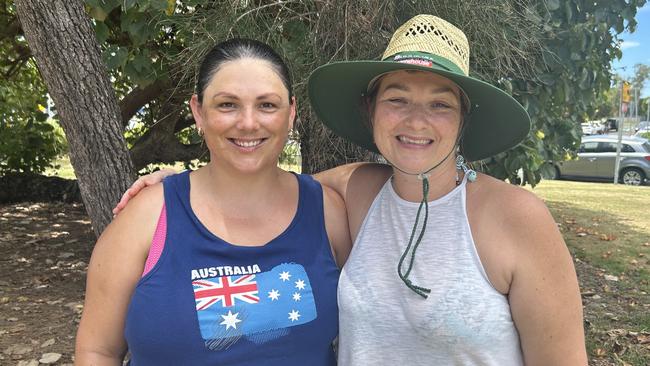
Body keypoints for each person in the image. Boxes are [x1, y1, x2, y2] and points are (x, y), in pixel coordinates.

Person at [114, 15, 588, 365]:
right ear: (371, 111)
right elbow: (264, 188)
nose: (416, 121)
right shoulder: (359, 193)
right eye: (397, 99)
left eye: (440, 104)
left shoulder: (516, 218)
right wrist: (182, 188)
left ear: (464, 119)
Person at [75, 38, 351, 366]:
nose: (248, 123)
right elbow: (98, 351)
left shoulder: (328, 212)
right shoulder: (148, 216)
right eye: (227, 105)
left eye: (267, 105)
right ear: (198, 112)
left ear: (291, 113)